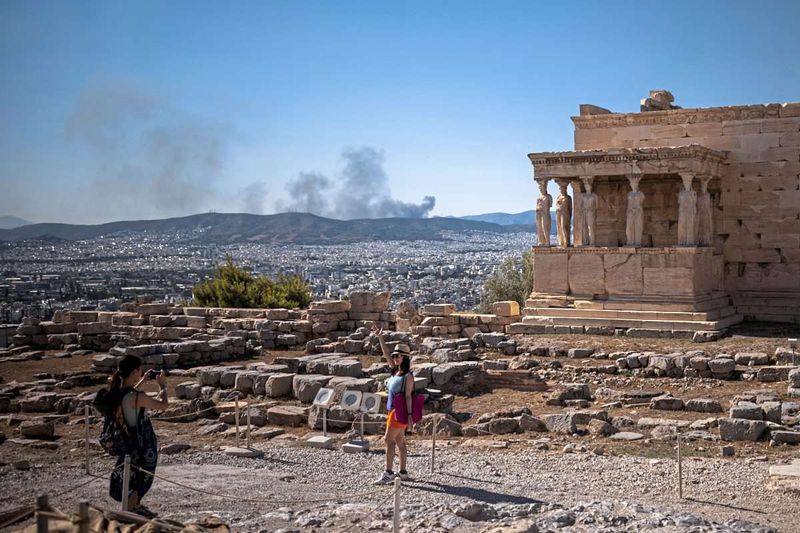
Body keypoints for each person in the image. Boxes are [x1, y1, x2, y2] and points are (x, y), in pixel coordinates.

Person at [95, 355, 169, 517]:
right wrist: (163, 387)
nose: (141, 371)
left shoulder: (118, 393)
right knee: (142, 479)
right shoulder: (137, 397)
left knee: (132, 479)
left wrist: (142, 380)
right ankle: (130, 513)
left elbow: (129, 393)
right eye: (139, 369)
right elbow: (163, 405)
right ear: (135, 371)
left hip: (128, 445)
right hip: (141, 446)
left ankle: (134, 507)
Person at [372, 326, 414, 484]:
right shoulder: (395, 371)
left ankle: (388, 472)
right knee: (400, 441)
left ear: (405, 358)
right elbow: (386, 354)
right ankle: (402, 472)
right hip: (392, 410)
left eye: (399, 356)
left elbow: (409, 396)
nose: (395, 358)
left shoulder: (408, 376)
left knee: (388, 440)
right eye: (395, 355)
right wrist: (380, 338)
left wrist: (410, 416)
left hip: (399, 411)